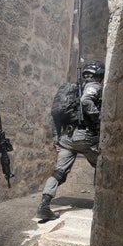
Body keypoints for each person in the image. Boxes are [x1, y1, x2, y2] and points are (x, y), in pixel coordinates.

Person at [36, 61, 105, 222]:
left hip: (66, 138)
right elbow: (86, 100)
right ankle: (102, 205)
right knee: (102, 165)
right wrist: (98, 118)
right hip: (86, 137)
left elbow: (55, 115)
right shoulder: (93, 86)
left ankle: (44, 205)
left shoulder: (71, 89)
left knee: (59, 173)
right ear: (99, 76)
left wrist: (56, 139)